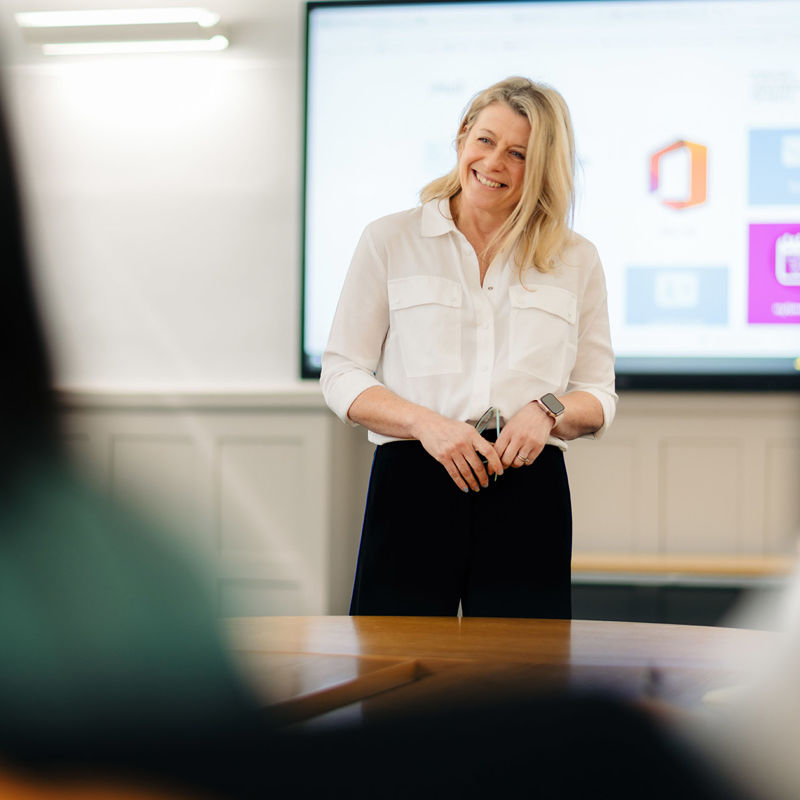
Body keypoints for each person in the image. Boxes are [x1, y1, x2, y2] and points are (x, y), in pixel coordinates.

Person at [321, 76, 617, 619]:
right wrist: (426, 425)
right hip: (413, 479)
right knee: (392, 676)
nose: (494, 162)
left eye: (518, 153)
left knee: (521, 682)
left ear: (543, 166)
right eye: (485, 140)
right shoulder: (389, 239)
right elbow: (342, 373)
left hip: (527, 488)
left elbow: (598, 394)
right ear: (462, 138)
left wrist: (546, 412)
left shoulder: (577, 258)